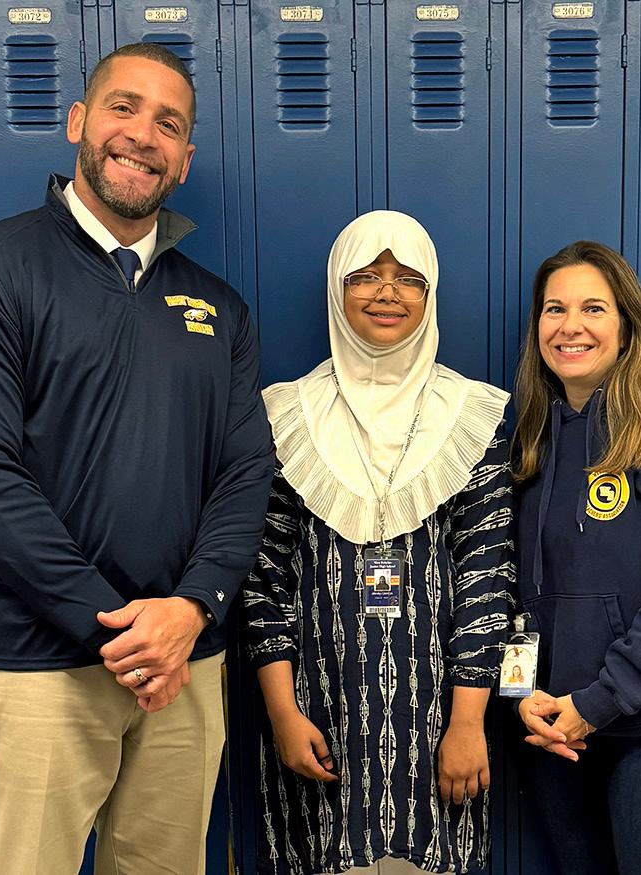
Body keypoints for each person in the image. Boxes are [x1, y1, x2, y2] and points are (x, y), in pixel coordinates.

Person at [0, 43, 274, 875]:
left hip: (184, 662)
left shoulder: (219, 307)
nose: (143, 134)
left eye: (168, 124)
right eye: (123, 107)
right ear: (79, 121)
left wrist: (191, 609)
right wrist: (114, 629)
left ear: (185, 159)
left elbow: (244, 474)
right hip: (38, 664)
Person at [242, 211, 514, 874]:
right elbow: (262, 578)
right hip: (316, 716)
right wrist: (282, 713)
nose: (387, 292)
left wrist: (468, 724)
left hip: (441, 718)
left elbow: (486, 580)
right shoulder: (285, 413)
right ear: (337, 287)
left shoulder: (473, 416)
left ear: (430, 293)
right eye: (365, 275)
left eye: (409, 278)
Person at [510, 241, 641, 874]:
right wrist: (519, 694)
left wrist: (596, 704)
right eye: (554, 309)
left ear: (627, 327)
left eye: (593, 308)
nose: (570, 326)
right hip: (553, 732)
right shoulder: (527, 444)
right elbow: (507, 593)